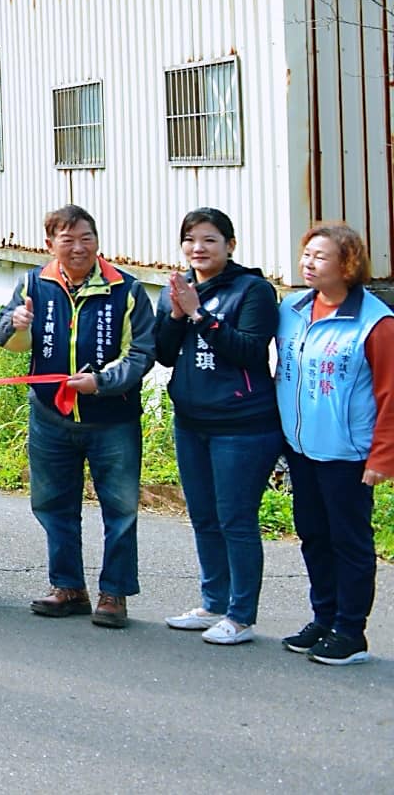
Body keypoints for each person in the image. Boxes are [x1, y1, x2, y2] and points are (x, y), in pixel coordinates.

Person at [0, 204, 155, 628]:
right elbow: (5, 339)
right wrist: (17, 322)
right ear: (50, 244)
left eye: (85, 237)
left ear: (98, 241)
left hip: (112, 419)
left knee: (120, 509)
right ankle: (67, 586)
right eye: (66, 239)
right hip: (50, 416)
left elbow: (142, 353)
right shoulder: (33, 283)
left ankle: (115, 594)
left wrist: (101, 382)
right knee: (53, 505)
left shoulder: (127, 289)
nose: (77, 246)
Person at [154, 208, 281, 645]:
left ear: (230, 245)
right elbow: (165, 355)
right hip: (191, 423)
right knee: (204, 517)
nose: (198, 249)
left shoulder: (254, 290)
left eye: (209, 240)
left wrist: (199, 315)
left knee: (236, 519)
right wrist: (174, 315)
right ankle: (213, 603)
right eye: (190, 240)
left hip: (242, 426)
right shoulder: (177, 290)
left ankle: (241, 615)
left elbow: (248, 351)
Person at [273, 222, 394, 665]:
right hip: (302, 449)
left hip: (348, 454)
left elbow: (390, 394)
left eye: (319, 256)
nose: (308, 262)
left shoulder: (375, 322)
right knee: (313, 536)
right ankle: (323, 618)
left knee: (350, 542)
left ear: (348, 264)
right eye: (306, 254)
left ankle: (350, 630)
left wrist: (382, 456)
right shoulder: (292, 310)